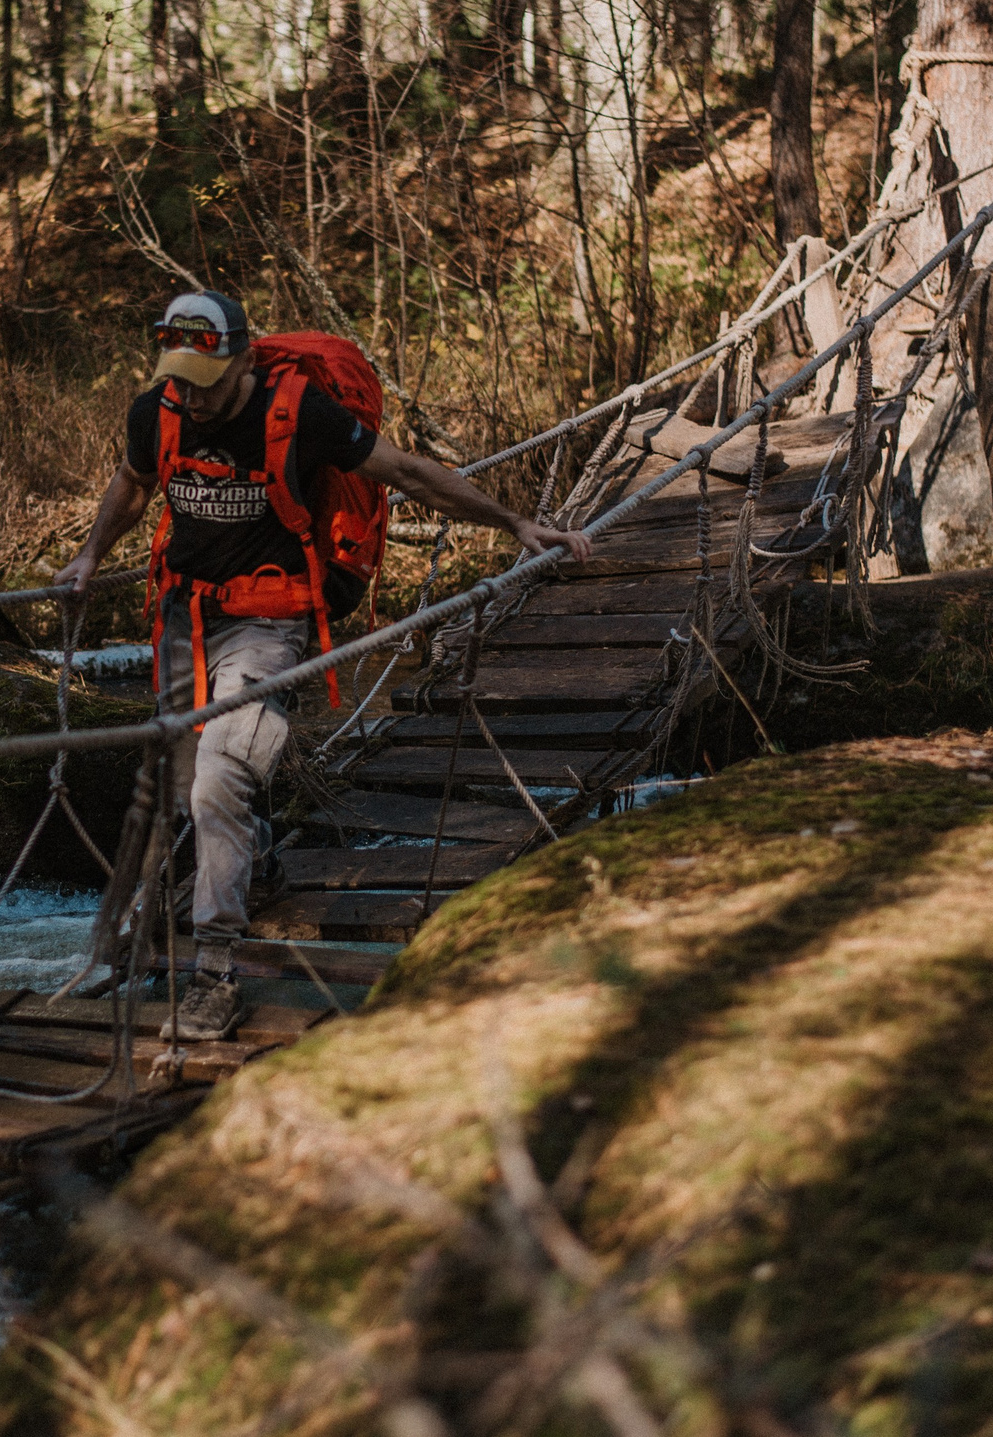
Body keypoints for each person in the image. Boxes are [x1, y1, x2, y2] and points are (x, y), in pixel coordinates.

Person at [52, 291, 593, 1040]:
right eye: (181, 375)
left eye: (207, 377)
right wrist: (87, 556)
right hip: (185, 618)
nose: (194, 394)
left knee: (218, 774)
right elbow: (134, 483)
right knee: (187, 781)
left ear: (243, 357)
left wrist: (513, 523)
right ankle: (261, 852)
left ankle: (215, 970)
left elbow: (407, 472)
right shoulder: (159, 410)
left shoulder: (298, 411)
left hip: (271, 619)